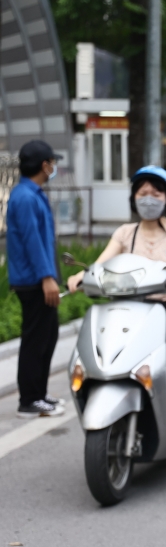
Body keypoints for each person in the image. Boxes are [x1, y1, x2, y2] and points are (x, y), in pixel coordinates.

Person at [66, 166, 166, 467]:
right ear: (133, 197)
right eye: (143, 193)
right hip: (132, 308)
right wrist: (81, 276)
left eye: (156, 193)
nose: (149, 198)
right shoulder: (125, 233)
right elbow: (101, 264)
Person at [6, 140, 65, 418]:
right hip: (34, 281)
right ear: (45, 165)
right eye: (52, 162)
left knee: (48, 336)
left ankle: (39, 394)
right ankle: (28, 400)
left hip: (39, 278)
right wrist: (46, 277)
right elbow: (32, 241)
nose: (54, 166)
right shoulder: (26, 197)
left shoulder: (32, 193)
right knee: (35, 339)